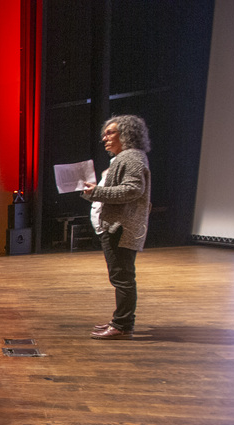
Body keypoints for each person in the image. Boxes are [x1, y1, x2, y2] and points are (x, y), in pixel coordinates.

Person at [82, 114, 152, 340]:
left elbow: (133, 190)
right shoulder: (125, 158)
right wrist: (95, 191)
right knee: (120, 276)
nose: (105, 138)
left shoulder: (131, 158)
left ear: (127, 134)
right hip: (115, 227)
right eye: (105, 133)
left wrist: (97, 192)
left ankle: (122, 326)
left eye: (111, 132)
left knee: (122, 278)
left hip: (121, 229)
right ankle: (119, 321)